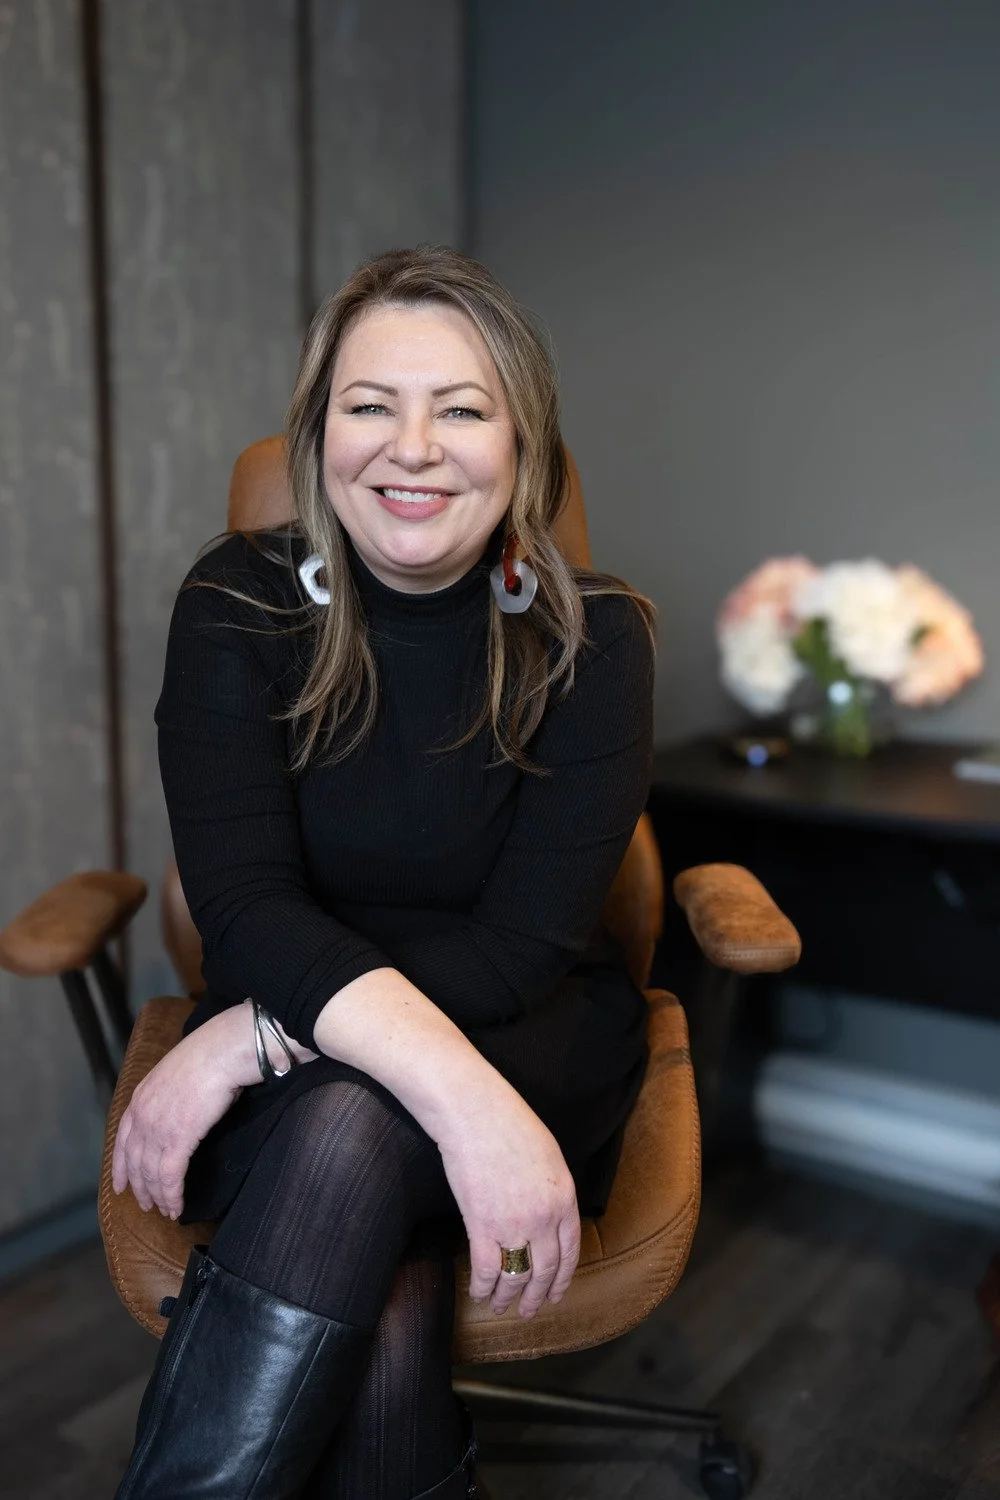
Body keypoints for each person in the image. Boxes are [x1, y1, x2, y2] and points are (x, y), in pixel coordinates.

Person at [111, 245, 656, 1499]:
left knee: (349, 1127)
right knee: (387, 1291)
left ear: (522, 448)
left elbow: (519, 954)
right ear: (319, 437)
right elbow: (246, 907)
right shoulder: (237, 605)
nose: (412, 449)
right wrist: (463, 1110)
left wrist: (252, 1037)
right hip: (325, 1044)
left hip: (520, 1027)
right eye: (370, 405)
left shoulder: (596, 640)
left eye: (460, 411)